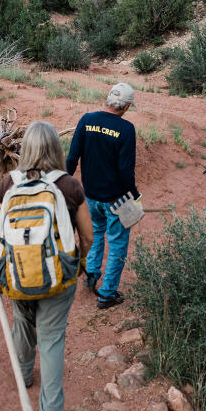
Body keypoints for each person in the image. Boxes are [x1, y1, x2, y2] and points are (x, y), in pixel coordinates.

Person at [0, 121, 93, 411]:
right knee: (51, 339)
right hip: (58, 280)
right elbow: (87, 236)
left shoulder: (8, 183)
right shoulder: (69, 186)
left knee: (22, 318)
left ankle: (23, 372)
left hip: (17, 275)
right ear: (55, 150)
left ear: (26, 149)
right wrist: (81, 264)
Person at [66, 82, 139, 310]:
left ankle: (91, 275)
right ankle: (107, 294)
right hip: (117, 198)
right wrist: (134, 196)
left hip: (90, 196)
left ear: (109, 99)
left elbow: (72, 158)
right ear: (126, 106)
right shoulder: (126, 129)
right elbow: (125, 171)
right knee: (117, 244)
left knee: (96, 235)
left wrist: (64, 184)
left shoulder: (87, 120)